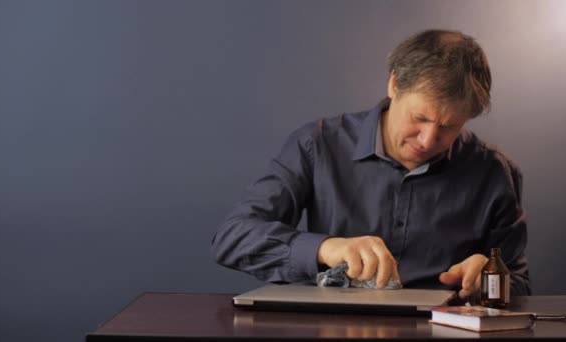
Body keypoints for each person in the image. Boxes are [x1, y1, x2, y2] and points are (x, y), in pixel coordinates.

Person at [211, 29, 531, 299]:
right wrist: (325, 248)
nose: (428, 140)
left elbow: (518, 285)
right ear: (394, 85)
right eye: (419, 118)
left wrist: (488, 279)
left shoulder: (494, 172)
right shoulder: (317, 144)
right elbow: (234, 238)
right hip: (328, 328)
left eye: (449, 127)